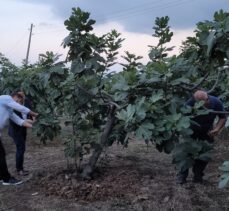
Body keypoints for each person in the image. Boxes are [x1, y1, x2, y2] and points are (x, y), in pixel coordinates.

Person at [176, 90, 227, 184]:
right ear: (196, 101)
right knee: (186, 154)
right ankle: (182, 176)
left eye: (206, 100)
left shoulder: (216, 102)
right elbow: (181, 118)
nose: (205, 103)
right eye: (201, 102)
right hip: (191, 132)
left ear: (207, 97)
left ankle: (198, 176)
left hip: (207, 132)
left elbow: (223, 117)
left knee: (205, 155)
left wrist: (217, 129)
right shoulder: (190, 103)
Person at [0, 92, 38, 185]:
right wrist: (34, 114)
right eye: (18, 100)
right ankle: (6, 179)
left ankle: (2, 177)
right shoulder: (5, 98)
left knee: (1, 154)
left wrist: (34, 126)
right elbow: (21, 108)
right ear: (14, 97)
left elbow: (19, 121)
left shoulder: (9, 110)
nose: (18, 103)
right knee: (1, 155)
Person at [8, 92, 33, 176]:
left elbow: (30, 113)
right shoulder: (12, 106)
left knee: (22, 148)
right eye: (18, 98)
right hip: (15, 130)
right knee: (20, 148)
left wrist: (33, 118)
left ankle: (20, 168)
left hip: (23, 129)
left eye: (21, 97)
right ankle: (19, 169)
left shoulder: (26, 102)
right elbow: (15, 120)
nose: (19, 100)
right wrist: (29, 121)